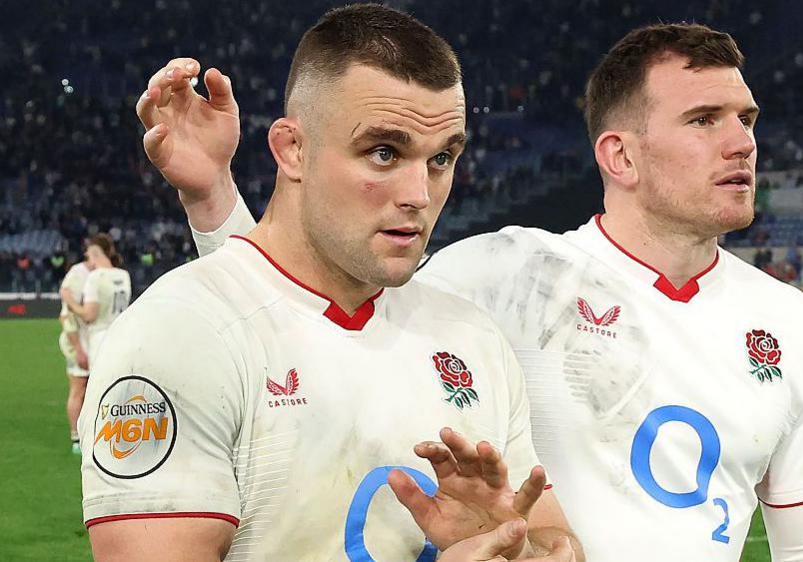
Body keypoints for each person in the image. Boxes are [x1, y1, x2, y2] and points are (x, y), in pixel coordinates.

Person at [148, 20, 803, 562]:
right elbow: (304, 312)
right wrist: (215, 199)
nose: (741, 143)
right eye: (705, 120)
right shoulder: (504, 275)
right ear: (620, 155)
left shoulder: (786, 323)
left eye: (746, 119)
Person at [80, 5, 578, 562]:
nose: (419, 192)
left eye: (442, 158)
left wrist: (527, 551)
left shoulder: (471, 337)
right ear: (293, 149)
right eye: (384, 153)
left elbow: (557, 539)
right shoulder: (175, 335)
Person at [63, 233, 132, 366]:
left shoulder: (95, 277)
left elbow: (90, 315)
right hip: (122, 337)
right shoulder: (124, 275)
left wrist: (70, 301)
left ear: (95, 254)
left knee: (100, 385)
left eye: (88, 256)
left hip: (101, 339)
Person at [57, 246, 93, 454]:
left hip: (93, 342)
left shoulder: (101, 274)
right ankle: (76, 438)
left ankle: (89, 432)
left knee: (91, 389)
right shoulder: (78, 276)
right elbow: (66, 316)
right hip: (78, 342)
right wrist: (78, 348)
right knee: (78, 388)